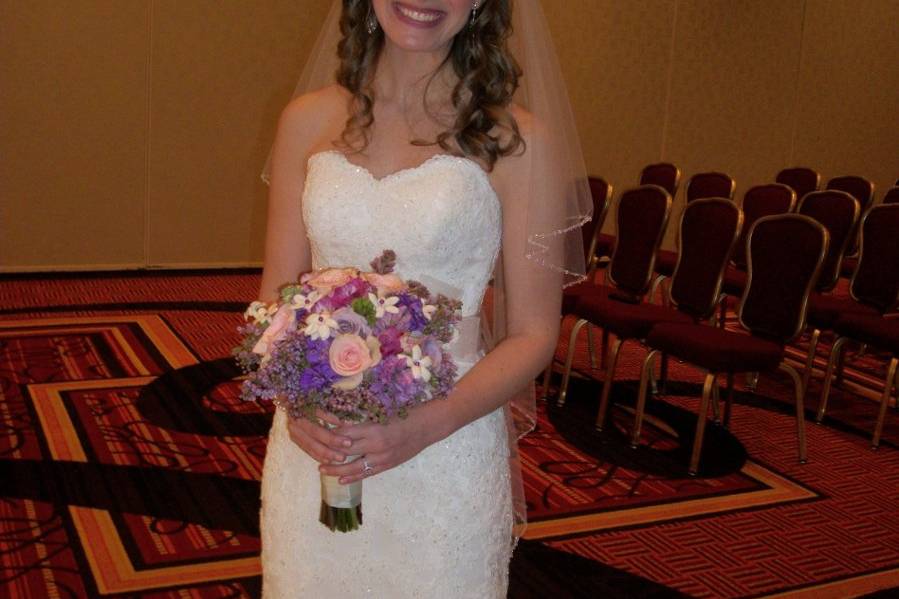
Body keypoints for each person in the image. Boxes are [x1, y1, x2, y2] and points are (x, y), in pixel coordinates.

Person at [257, 1, 591, 596]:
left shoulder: (515, 140)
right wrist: (298, 405)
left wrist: (422, 428)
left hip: (447, 439)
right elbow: (275, 300)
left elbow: (535, 332)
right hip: (317, 437)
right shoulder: (306, 122)